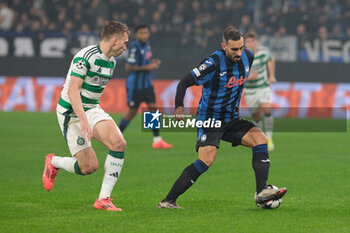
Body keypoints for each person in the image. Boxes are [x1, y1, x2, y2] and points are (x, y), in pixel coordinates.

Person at [158, 27, 286, 209]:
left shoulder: (248, 56)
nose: (239, 53)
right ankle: (168, 201)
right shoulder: (213, 63)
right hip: (210, 118)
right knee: (206, 160)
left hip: (231, 118)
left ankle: (261, 192)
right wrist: (179, 106)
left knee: (260, 140)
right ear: (224, 46)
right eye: (234, 49)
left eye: (241, 48)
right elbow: (184, 83)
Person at [42, 21, 129, 211]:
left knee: (119, 143)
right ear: (115, 40)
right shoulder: (85, 56)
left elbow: (92, 96)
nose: (125, 46)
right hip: (71, 112)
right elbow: (73, 90)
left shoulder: (111, 62)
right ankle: (53, 161)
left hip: (91, 109)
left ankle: (103, 199)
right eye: (124, 42)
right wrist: (83, 120)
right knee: (88, 167)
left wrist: (90, 117)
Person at [119, 24, 172, 149]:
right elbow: (128, 67)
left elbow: (143, 61)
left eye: (146, 33)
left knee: (153, 109)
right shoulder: (134, 47)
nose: (144, 35)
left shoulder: (147, 45)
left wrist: (152, 62)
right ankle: (115, 137)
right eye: (141, 33)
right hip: (135, 86)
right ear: (136, 35)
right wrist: (148, 67)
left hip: (147, 84)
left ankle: (157, 140)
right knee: (131, 113)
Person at [244, 32, 276, 151]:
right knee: (256, 117)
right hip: (249, 90)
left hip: (263, 87)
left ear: (256, 42)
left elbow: (271, 59)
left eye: (253, 41)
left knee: (267, 109)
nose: (251, 44)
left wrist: (271, 75)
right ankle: (261, 137)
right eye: (248, 42)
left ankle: (269, 138)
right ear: (245, 43)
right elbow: (236, 72)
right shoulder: (241, 56)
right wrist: (248, 77)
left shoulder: (263, 52)